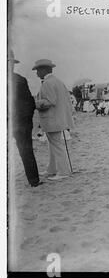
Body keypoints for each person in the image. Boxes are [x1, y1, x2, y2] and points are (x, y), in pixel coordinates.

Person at [33, 59, 74, 181]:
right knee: (53, 145)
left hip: (52, 119)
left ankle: (64, 172)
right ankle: (52, 169)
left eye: (37, 70)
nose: (36, 73)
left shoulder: (47, 83)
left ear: (44, 70)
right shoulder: (58, 82)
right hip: (58, 118)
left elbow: (51, 101)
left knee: (56, 146)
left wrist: (34, 103)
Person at [8, 50, 41, 187]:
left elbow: (29, 104)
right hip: (20, 123)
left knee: (25, 151)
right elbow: (30, 104)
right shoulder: (20, 80)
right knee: (26, 151)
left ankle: (33, 180)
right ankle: (34, 181)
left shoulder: (20, 80)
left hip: (18, 123)